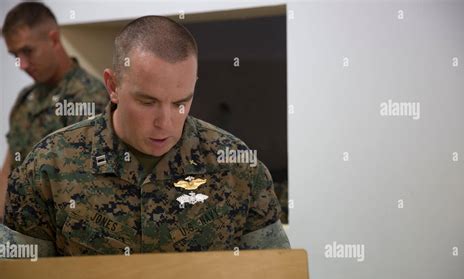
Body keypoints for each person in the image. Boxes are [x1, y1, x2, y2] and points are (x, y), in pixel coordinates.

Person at [4, 15, 290, 256]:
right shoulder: (48, 168)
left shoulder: (237, 168)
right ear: (112, 85)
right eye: (147, 102)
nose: (165, 122)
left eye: (180, 102)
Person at [0, 2, 109, 219]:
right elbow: (9, 167)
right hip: (21, 230)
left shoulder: (88, 97)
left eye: (27, 51)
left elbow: (88, 187)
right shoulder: (27, 99)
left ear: (53, 39)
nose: (21, 64)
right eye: (15, 56)